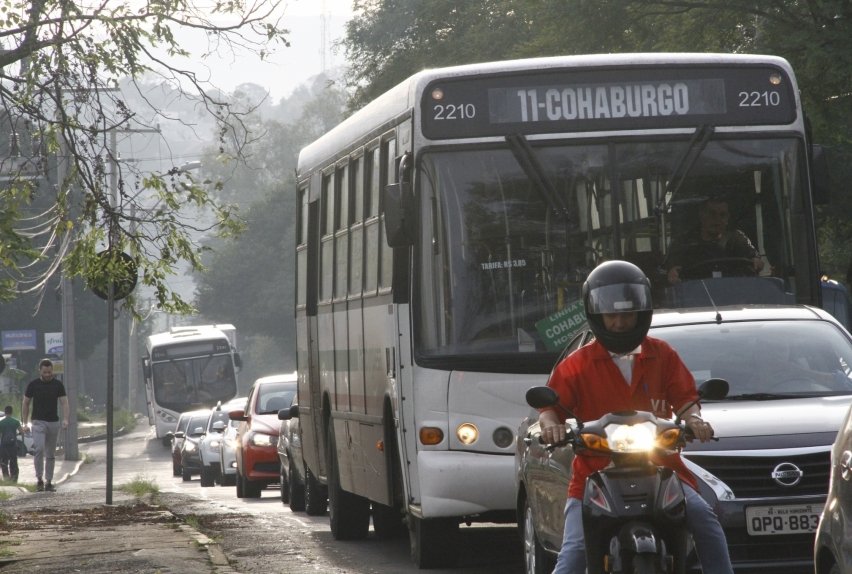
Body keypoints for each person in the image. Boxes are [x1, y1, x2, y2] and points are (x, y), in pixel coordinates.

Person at [538, 260, 733, 574]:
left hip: (662, 469)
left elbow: (685, 401)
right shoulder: (577, 364)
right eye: (611, 315)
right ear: (596, 316)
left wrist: (695, 421)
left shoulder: (663, 355)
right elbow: (551, 409)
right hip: (594, 473)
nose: (618, 323)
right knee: (573, 553)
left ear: (641, 314)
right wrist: (551, 428)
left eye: (626, 314)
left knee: (706, 522)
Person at [666, 197, 764, 284]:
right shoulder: (683, 242)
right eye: (712, 214)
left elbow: (754, 258)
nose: (717, 219)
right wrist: (672, 272)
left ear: (727, 218)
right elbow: (672, 267)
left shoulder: (737, 238)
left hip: (733, 294)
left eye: (722, 215)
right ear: (702, 215)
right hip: (695, 296)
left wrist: (756, 261)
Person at [21, 358, 69, 492]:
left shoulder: (58, 385)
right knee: (39, 449)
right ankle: (39, 479)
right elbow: (25, 403)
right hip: (38, 422)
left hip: (53, 422)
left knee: (50, 454)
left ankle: (49, 481)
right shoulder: (33, 385)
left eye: (49, 372)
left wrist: (65, 419)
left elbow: (64, 402)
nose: (47, 375)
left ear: (52, 371)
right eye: (45, 372)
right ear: (40, 371)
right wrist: (25, 422)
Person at [0, 405, 23, 482]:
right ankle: (14, 478)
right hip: (13, 445)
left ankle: (6, 478)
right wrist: (17, 434)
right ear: (11, 412)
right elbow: (21, 431)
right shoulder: (16, 422)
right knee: (13, 461)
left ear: (5, 412)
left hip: (3, 445)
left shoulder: (1, 422)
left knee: (4, 461)